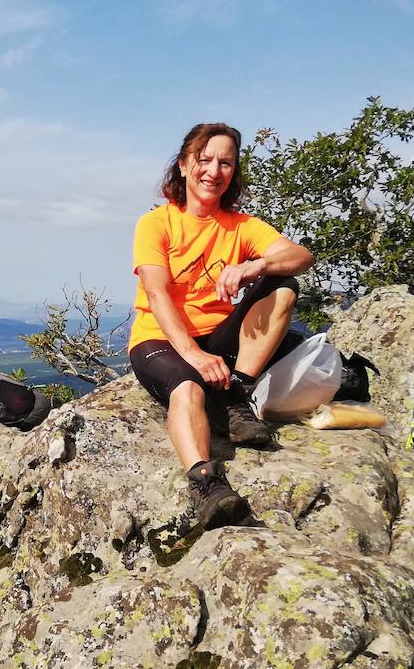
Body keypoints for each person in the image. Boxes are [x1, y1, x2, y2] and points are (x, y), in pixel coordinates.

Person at [129, 122, 313, 530]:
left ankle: (236, 397)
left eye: (225, 162)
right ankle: (206, 484)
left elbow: (300, 255)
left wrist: (258, 265)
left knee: (283, 286)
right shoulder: (157, 223)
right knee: (188, 386)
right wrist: (193, 355)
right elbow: (157, 296)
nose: (214, 170)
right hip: (161, 338)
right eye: (204, 159)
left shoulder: (241, 226)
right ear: (182, 165)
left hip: (219, 338)